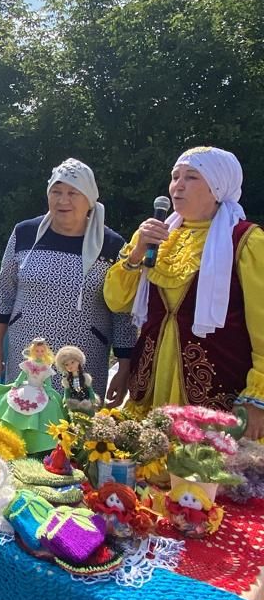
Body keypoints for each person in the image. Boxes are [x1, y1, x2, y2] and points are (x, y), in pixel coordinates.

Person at [104, 146, 264, 440]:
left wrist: (259, 396)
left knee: (202, 478)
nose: (178, 185)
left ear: (217, 187)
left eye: (191, 177)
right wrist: (137, 252)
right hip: (151, 378)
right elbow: (116, 300)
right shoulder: (155, 235)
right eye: (175, 176)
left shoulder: (245, 240)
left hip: (217, 380)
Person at [0, 158, 136, 404]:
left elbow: (122, 312)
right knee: (23, 419)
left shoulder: (112, 245)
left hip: (83, 357)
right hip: (26, 352)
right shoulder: (24, 232)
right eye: (56, 192)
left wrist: (124, 367)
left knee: (76, 427)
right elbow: (5, 291)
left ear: (89, 199)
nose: (62, 200)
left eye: (72, 193)